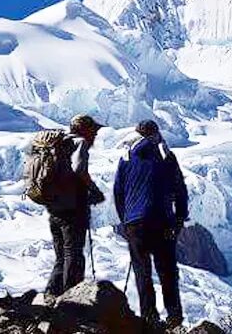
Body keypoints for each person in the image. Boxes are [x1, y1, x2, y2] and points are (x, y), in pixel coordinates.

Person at [114, 120, 189, 329]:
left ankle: (149, 317)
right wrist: (180, 218)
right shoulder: (166, 156)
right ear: (156, 135)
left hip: (135, 223)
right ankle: (174, 318)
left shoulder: (126, 158)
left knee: (142, 270)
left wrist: (126, 220)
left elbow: (118, 193)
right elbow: (180, 190)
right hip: (163, 220)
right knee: (167, 271)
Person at [45, 114, 106, 296]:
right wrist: (94, 191)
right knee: (73, 253)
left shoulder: (57, 145)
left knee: (61, 256)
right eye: (93, 130)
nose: (94, 135)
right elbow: (80, 170)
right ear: (84, 130)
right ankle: (71, 299)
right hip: (73, 209)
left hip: (54, 209)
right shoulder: (80, 143)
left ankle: (51, 295)